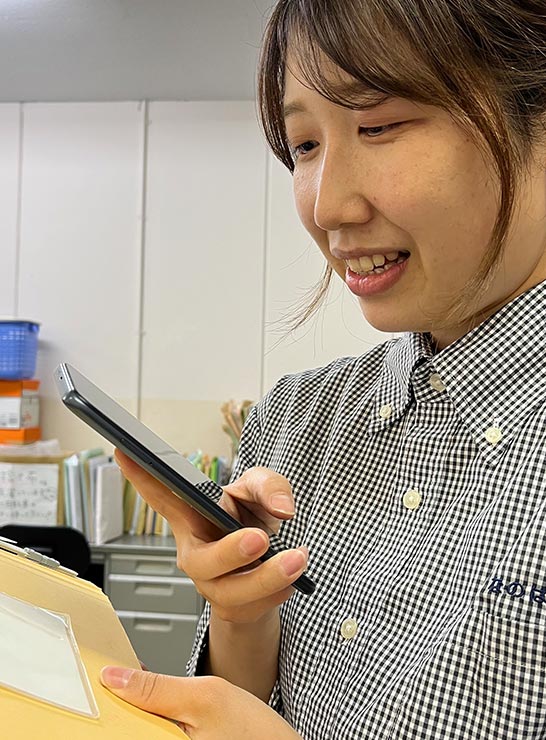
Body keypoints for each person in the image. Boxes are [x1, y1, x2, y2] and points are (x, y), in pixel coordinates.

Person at [100, 0, 546, 737]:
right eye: (304, 145)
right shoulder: (293, 421)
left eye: (380, 125)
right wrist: (244, 614)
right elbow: (244, 703)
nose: (328, 206)